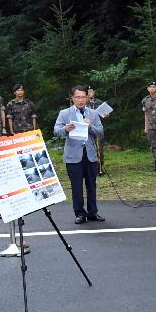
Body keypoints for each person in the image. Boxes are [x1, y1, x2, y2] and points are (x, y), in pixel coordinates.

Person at [53, 85, 105, 225]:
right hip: (73, 155)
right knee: (76, 186)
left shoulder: (93, 114)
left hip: (90, 155)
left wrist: (90, 127)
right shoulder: (65, 113)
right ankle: (80, 213)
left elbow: (100, 132)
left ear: (87, 97)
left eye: (83, 97)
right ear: (72, 98)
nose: (81, 100)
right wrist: (65, 129)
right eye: (78, 97)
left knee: (91, 185)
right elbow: (56, 131)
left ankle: (93, 212)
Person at [87, 85, 107, 175]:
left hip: (98, 128)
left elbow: (106, 113)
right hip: (88, 129)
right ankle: (92, 168)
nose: (89, 93)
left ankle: (100, 167)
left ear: (94, 92)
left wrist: (105, 114)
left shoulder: (99, 102)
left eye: (91, 91)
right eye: (88, 91)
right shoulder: (84, 103)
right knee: (90, 149)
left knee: (100, 149)